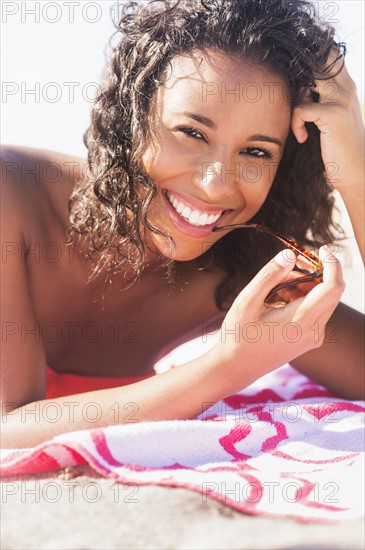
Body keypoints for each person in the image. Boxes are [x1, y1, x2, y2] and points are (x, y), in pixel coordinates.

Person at [1, 0, 364, 448]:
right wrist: (227, 367)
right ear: (130, 115)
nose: (215, 186)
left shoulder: (242, 271)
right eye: (192, 133)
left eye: (256, 152)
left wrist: (355, 167)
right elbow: (7, 428)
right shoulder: (10, 196)